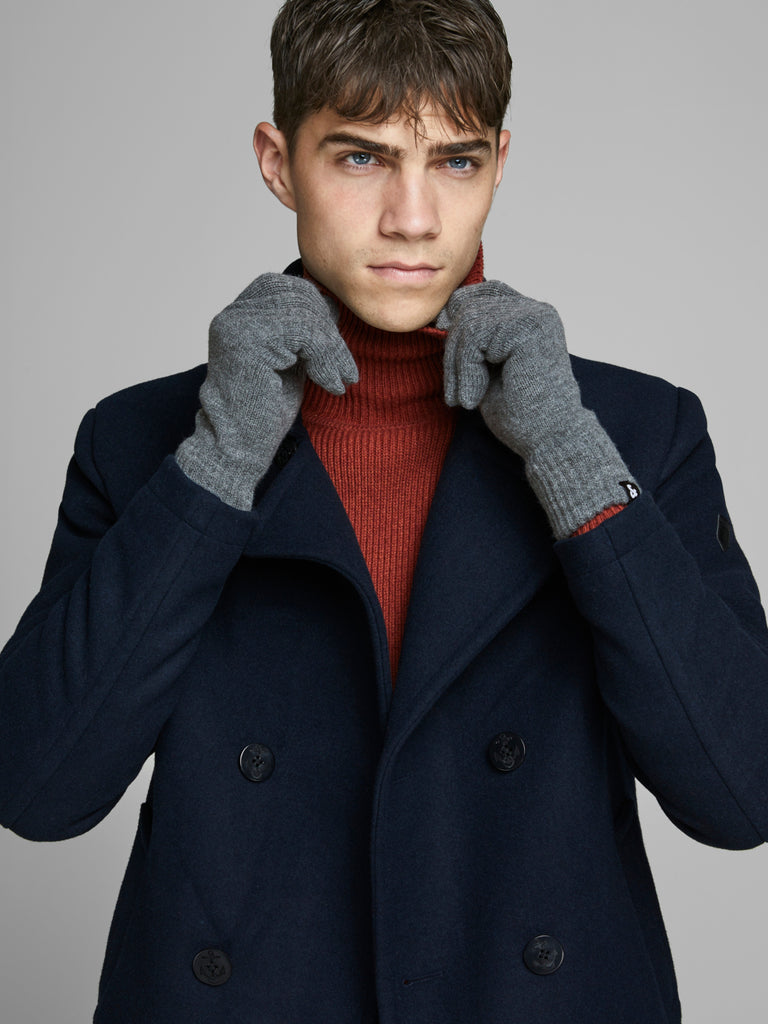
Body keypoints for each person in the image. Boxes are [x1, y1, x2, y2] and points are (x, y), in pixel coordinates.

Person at [1, 0, 766, 1021]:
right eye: (361, 158)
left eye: (455, 161)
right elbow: (39, 792)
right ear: (278, 163)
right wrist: (220, 459)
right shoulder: (140, 442)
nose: (413, 218)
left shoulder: (639, 429)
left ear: (499, 163)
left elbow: (741, 795)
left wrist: (570, 453)